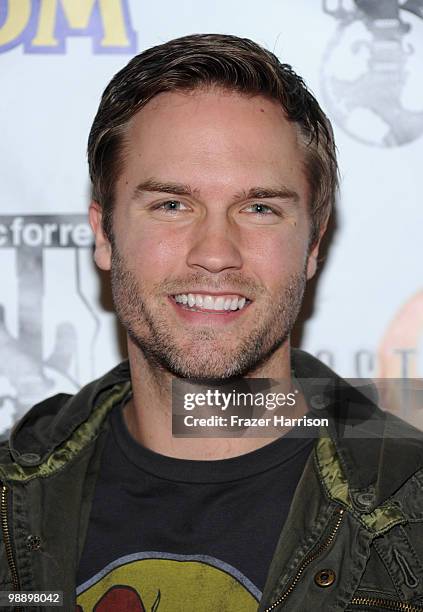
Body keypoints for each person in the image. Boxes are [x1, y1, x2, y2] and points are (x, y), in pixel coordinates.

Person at [1, 33, 422, 612]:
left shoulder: (412, 517)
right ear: (104, 234)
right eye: (172, 205)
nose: (216, 252)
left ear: (313, 246)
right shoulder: (9, 498)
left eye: (259, 208)